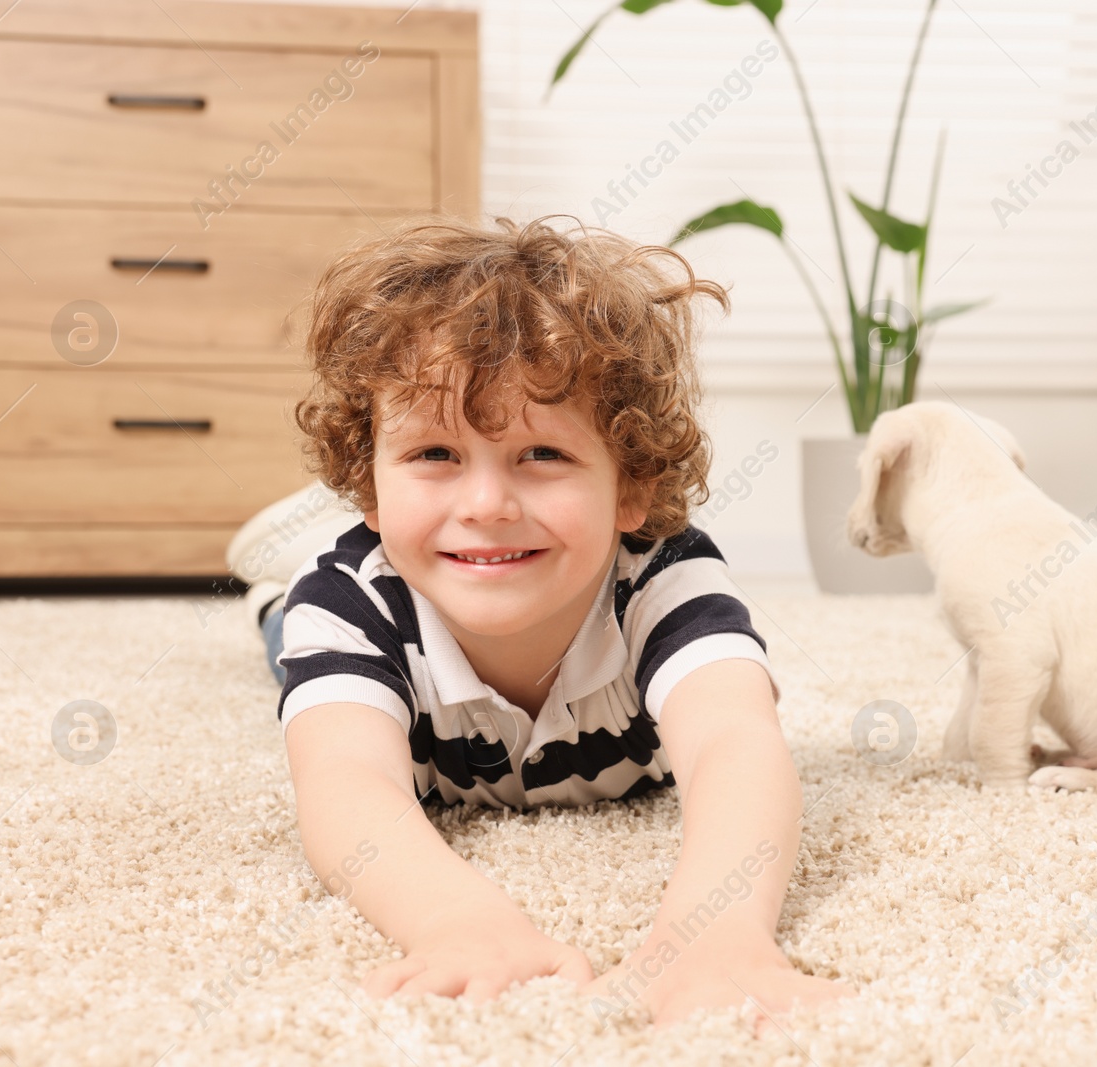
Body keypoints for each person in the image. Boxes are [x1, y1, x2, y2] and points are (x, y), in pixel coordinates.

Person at [225, 215, 851, 1028]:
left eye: (543, 455)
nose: (487, 505)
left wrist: (718, 931)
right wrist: (457, 921)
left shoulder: (663, 573)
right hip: (354, 609)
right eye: (434, 455)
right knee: (291, 630)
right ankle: (272, 588)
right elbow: (348, 779)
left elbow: (735, 736)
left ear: (631, 488)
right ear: (369, 491)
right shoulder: (351, 601)